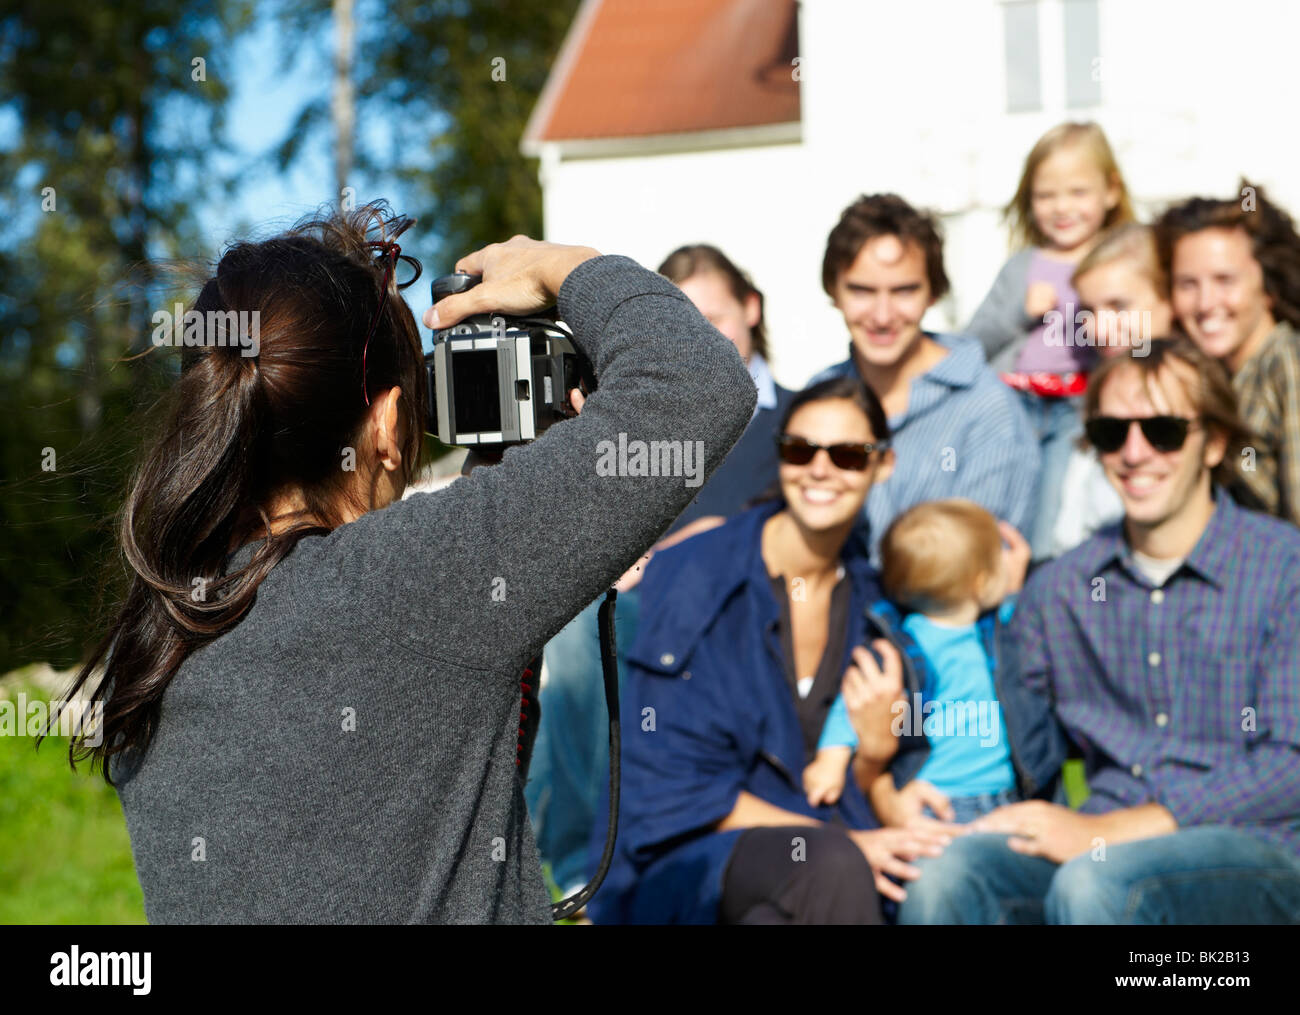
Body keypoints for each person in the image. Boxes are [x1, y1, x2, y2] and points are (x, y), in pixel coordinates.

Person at [54, 203, 757, 924]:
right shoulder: (408, 585)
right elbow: (697, 383)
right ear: (388, 427)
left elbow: (435, 798)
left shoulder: (161, 628)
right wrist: (561, 265)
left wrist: (508, 519)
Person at [896, 337, 1300, 924]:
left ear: (1213, 444)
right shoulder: (1062, 587)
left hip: (1252, 847)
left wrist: (1116, 829)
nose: (1134, 453)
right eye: (1112, 433)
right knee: (946, 874)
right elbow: (1006, 720)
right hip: (1097, 842)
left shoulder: (1284, 567)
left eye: (1162, 430)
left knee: (1095, 881)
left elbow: (1291, 761)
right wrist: (893, 775)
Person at [587, 377, 952, 924]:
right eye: (801, 450)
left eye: (849, 455)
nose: (820, 470)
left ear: (884, 464)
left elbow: (856, 783)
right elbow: (672, 788)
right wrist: (840, 840)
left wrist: (874, 758)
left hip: (810, 876)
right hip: (682, 865)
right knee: (828, 864)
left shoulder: (876, 603)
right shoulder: (702, 573)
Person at [526, 244, 794, 900]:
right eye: (689, 323)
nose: (707, 338)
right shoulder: (642, 424)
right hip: (642, 600)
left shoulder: (793, 421)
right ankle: (581, 864)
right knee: (571, 631)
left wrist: (697, 545)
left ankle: (578, 858)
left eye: (716, 316)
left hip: (742, 601)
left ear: (751, 310)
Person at [802, 500, 1057, 838]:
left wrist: (1012, 590)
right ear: (980, 583)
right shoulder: (904, 649)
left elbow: (1015, 614)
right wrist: (830, 761)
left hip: (1009, 799)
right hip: (938, 804)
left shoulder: (999, 629)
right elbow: (853, 702)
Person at [809, 193, 1039, 565]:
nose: (882, 315)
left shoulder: (986, 407)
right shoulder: (819, 396)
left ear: (933, 292)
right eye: (862, 290)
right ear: (833, 291)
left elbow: (975, 565)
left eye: (904, 291)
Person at [966, 122, 1135, 559]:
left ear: (1111, 192)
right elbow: (973, 342)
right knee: (1001, 504)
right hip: (1015, 402)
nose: (1062, 207)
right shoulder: (1021, 266)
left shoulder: (1124, 262)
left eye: (1078, 192)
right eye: (1046, 195)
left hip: (1078, 406)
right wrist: (1019, 313)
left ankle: (1042, 587)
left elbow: (1148, 336)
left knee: (1057, 518)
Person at [1156, 181, 1300, 527]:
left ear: (1268, 288)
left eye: (1225, 280)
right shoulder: (1216, 378)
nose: (1206, 304)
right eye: (1188, 284)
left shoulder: (1288, 361)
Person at [1049, 223, 1173, 555]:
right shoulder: (1087, 392)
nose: (1100, 329)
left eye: (1119, 306)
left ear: (1169, 299)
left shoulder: (1190, 402)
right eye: (1089, 311)